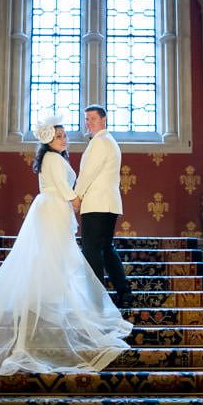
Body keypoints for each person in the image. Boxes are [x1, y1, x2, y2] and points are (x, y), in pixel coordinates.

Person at [0, 116, 132, 375]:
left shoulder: (54, 158)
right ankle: (53, 307)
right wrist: (76, 200)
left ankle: (52, 304)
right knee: (57, 256)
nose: (64, 139)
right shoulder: (53, 159)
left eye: (65, 135)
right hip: (53, 207)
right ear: (48, 140)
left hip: (53, 208)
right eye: (59, 136)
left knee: (54, 257)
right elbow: (62, 187)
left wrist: (72, 199)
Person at [73, 105, 134, 308]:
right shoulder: (110, 142)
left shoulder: (100, 142)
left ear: (103, 120)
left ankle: (96, 299)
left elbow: (89, 172)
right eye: (86, 119)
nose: (88, 122)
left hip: (97, 203)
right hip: (109, 204)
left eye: (92, 118)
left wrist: (77, 195)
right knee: (106, 249)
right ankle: (124, 292)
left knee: (91, 249)